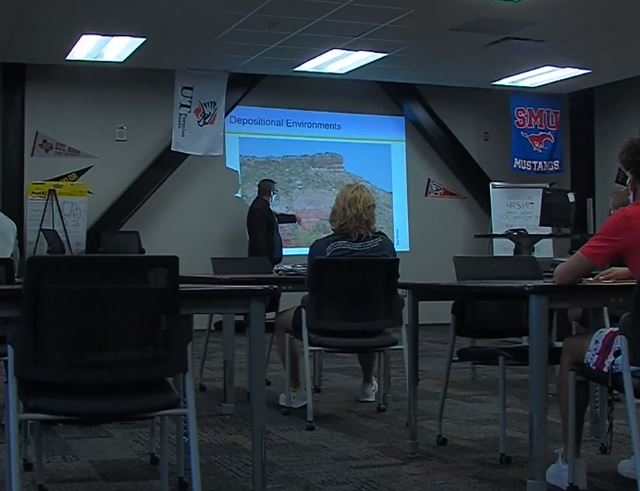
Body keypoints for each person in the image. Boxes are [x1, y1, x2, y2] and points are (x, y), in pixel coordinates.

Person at [547, 135, 640, 489]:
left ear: (632, 181)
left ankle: (570, 463)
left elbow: (563, 275)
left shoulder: (628, 219)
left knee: (572, 349)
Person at [275, 182, 397, 408]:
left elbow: (312, 288)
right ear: (370, 211)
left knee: (281, 321)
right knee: (366, 313)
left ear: (337, 210)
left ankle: (296, 390)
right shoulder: (385, 245)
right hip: (372, 321)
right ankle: (368, 383)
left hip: (326, 322)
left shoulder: (321, 248)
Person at [246, 179, 300, 267]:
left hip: (264, 259)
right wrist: (264, 261)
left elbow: (273, 218)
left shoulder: (261, 206)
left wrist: (293, 218)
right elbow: (259, 237)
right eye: (275, 192)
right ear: (271, 193)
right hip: (262, 261)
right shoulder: (259, 208)